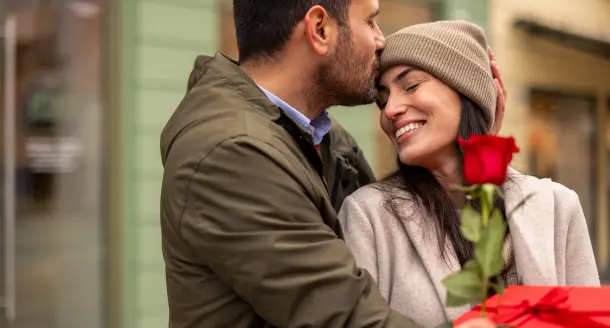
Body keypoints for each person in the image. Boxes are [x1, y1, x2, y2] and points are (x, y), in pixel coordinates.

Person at [160, 0, 504, 326]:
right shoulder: (233, 152)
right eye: (370, 20)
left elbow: (405, 234)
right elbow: (344, 317)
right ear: (320, 29)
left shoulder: (313, 135)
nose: (381, 40)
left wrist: (470, 147)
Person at [338, 20, 600, 328]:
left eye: (411, 86)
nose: (390, 109)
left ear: (465, 90)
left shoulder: (557, 206)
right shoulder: (368, 216)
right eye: (382, 99)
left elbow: (589, 321)